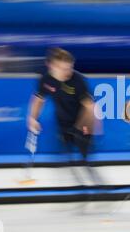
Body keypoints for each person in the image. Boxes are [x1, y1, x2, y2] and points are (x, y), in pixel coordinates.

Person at [27, 47, 102, 185]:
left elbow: (90, 107)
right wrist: (32, 118)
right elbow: (38, 99)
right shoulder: (46, 79)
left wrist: (92, 127)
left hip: (82, 124)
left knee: (86, 159)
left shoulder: (78, 80)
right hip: (63, 124)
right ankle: (77, 186)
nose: (68, 72)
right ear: (51, 66)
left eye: (70, 68)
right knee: (65, 156)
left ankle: (98, 185)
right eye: (63, 69)